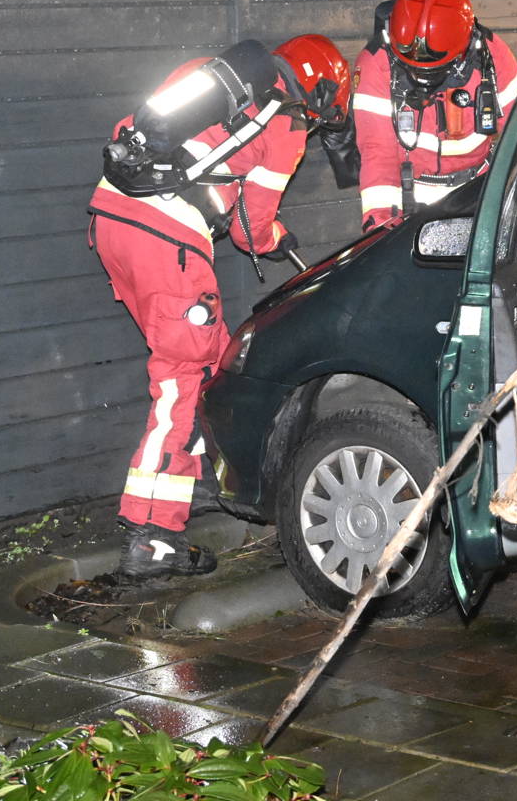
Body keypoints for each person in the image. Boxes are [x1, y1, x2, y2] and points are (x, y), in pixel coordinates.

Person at [88, 34, 351, 579]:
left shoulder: (206, 74)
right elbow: (252, 229)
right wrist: (278, 237)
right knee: (183, 377)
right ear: (319, 92)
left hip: (112, 215)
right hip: (169, 240)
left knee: (208, 363)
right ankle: (150, 536)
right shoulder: (288, 124)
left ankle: (199, 486)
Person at [353, 0, 517, 231]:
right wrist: (382, 223)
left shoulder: (492, 55)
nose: (421, 78)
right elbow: (378, 151)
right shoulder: (375, 65)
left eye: (434, 70)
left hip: (481, 191)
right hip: (413, 202)